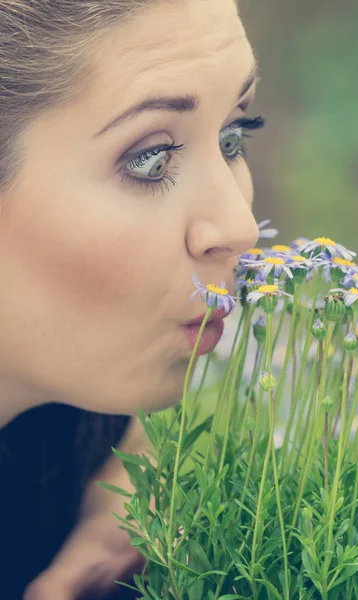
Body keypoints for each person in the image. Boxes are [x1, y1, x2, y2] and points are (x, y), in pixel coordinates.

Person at [0, 0, 264, 597]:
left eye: (233, 135)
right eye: (150, 159)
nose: (241, 227)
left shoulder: (97, 455)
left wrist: (156, 471)